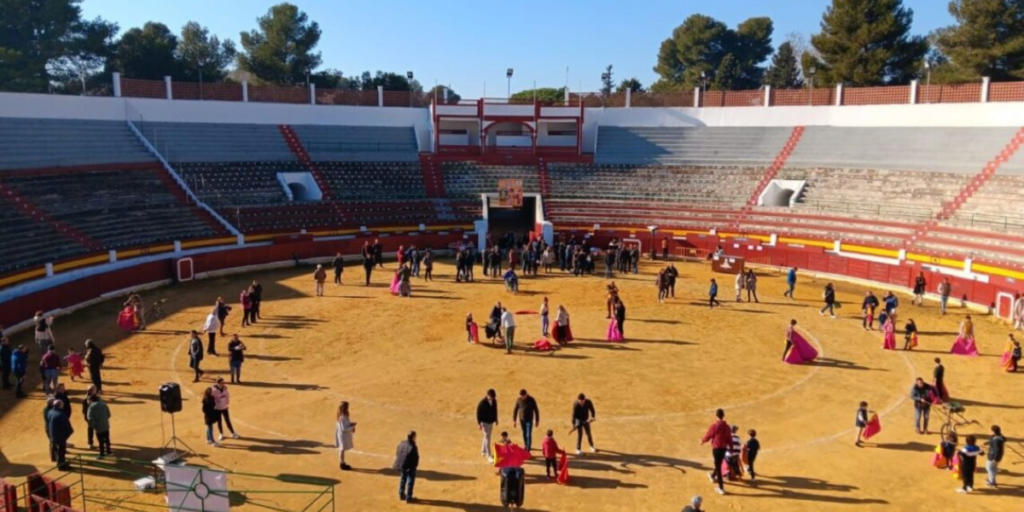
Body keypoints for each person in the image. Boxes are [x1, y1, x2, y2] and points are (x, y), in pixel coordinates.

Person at [700, 408, 730, 495]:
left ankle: (721, 488)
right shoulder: (727, 426)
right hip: (724, 448)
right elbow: (729, 438)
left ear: (716, 416)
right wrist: (731, 447)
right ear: (723, 415)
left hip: (716, 448)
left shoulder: (715, 426)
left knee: (718, 465)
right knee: (718, 463)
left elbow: (709, 435)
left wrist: (702, 441)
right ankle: (713, 476)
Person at [47, 400, 73, 470]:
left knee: (56, 449)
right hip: (60, 436)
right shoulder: (61, 415)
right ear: (60, 406)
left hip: (52, 434)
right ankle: (61, 465)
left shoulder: (50, 412)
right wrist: (68, 434)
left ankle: (59, 462)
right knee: (61, 451)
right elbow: (66, 427)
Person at [394, 431, 419, 502]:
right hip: (410, 466)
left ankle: (401, 494)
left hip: (403, 465)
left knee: (403, 479)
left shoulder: (402, 443)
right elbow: (415, 458)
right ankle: (409, 497)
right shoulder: (413, 447)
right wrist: (414, 466)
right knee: (410, 481)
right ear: (413, 437)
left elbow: (398, 452)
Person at [87, 393, 112, 459]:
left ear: (91, 400)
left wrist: (93, 426)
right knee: (107, 439)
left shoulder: (91, 408)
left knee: (101, 441)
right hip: (106, 425)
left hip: (98, 427)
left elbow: (90, 419)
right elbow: (109, 414)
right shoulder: (104, 404)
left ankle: (102, 454)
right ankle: (109, 451)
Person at [477, 389, 498, 463]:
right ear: (487, 395)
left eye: (493, 397)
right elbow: (478, 414)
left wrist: (496, 419)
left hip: (491, 422)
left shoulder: (494, 401)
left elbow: (495, 410)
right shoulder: (482, 403)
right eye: (491, 397)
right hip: (484, 423)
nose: (492, 398)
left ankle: (483, 451)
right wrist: (479, 424)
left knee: (487, 437)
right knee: (487, 438)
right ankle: (488, 455)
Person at [335, 401, 356, 470]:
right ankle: (342, 463)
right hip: (343, 435)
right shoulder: (342, 417)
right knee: (342, 449)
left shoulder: (342, 415)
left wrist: (351, 425)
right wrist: (352, 426)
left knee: (342, 449)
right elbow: (344, 428)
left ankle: (342, 462)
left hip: (343, 435)